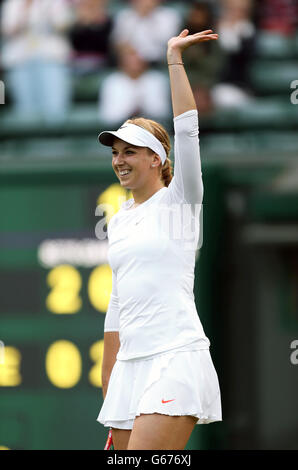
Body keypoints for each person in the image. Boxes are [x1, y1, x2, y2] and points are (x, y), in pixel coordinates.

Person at [97, 28, 222, 450]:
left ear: (157, 159)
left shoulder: (181, 202)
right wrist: (109, 372)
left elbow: (187, 131)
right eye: (115, 153)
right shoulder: (120, 221)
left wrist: (173, 60)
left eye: (129, 151)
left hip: (175, 358)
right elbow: (119, 301)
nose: (119, 160)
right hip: (130, 370)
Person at [0, 0, 73, 121]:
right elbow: (7, 30)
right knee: (26, 110)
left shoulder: (54, 2)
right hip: (20, 60)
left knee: (55, 109)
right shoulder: (12, 4)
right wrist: (25, 14)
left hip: (51, 59)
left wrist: (47, 13)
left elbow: (63, 24)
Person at [98, 42, 170, 125]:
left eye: (137, 60)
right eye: (129, 60)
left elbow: (163, 112)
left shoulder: (157, 80)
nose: (134, 64)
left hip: (153, 129)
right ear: (121, 63)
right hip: (120, 130)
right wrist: (130, 109)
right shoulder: (111, 82)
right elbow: (108, 116)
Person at [111, 0, 181, 65]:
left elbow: (167, 42)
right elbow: (118, 42)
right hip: (131, 60)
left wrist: (149, 17)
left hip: (159, 61)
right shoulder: (124, 15)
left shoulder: (169, 15)